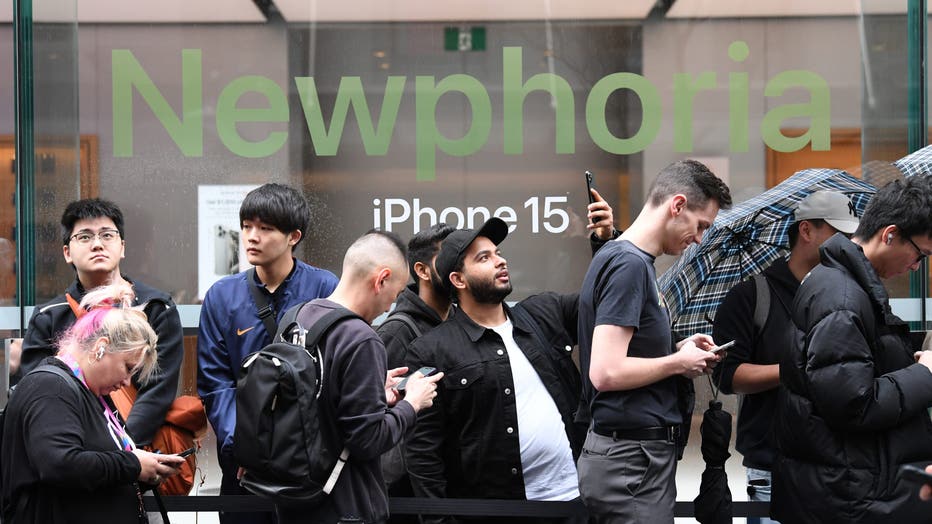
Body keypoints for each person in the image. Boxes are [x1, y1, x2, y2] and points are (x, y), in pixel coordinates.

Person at [404, 201, 616, 524]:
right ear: (458, 280)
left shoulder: (544, 313)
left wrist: (606, 241)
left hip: (574, 501)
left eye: (498, 252)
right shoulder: (431, 350)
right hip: (499, 513)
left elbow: (607, 299)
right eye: (484, 258)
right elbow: (423, 455)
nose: (500, 261)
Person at [576, 159, 732, 524]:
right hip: (630, 460)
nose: (698, 238)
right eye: (700, 225)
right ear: (677, 205)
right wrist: (679, 364)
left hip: (629, 458)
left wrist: (678, 349)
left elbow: (625, 354)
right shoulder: (629, 264)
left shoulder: (627, 259)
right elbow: (606, 371)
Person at [773, 175, 932, 523]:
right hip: (848, 496)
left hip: (846, 486)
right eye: (920, 254)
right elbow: (853, 405)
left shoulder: (845, 285)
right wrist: (924, 374)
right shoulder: (842, 296)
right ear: (890, 234)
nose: (917, 266)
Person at [711, 190, 859, 522]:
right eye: (840, 234)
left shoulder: (846, 294)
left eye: (851, 236)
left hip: (835, 466)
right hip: (772, 467)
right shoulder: (751, 295)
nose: (848, 245)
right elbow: (727, 377)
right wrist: (795, 369)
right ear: (806, 231)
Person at [275, 230, 443, 524]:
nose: (390, 306)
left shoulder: (295, 318)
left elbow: (315, 400)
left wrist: (373, 388)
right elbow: (368, 439)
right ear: (381, 279)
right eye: (396, 292)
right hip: (343, 505)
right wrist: (411, 403)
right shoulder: (362, 338)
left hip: (292, 497)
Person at [198, 183, 339, 524]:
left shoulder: (324, 287)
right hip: (243, 463)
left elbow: (334, 371)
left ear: (294, 236)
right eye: (246, 226)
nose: (251, 236)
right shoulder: (222, 296)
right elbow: (216, 382)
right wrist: (243, 446)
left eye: (265, 228)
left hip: (308, 461)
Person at [0, 283, 185, 524]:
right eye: (128, 368)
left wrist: (145, 471)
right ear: (101, 348)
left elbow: (91, 469)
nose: (127, 381)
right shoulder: (51, 388)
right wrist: (133, 465)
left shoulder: (86, 392)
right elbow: (60, 464)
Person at [19, 198, 183, 449]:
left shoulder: (156, 307)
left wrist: (124, 450)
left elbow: (158, 389)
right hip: (71, 445)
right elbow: (37, 388)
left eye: (107, 235)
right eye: (84, 237)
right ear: (67, 252)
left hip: (137, 448)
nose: (97, 244)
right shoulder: (49, 315)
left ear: (123, 246)